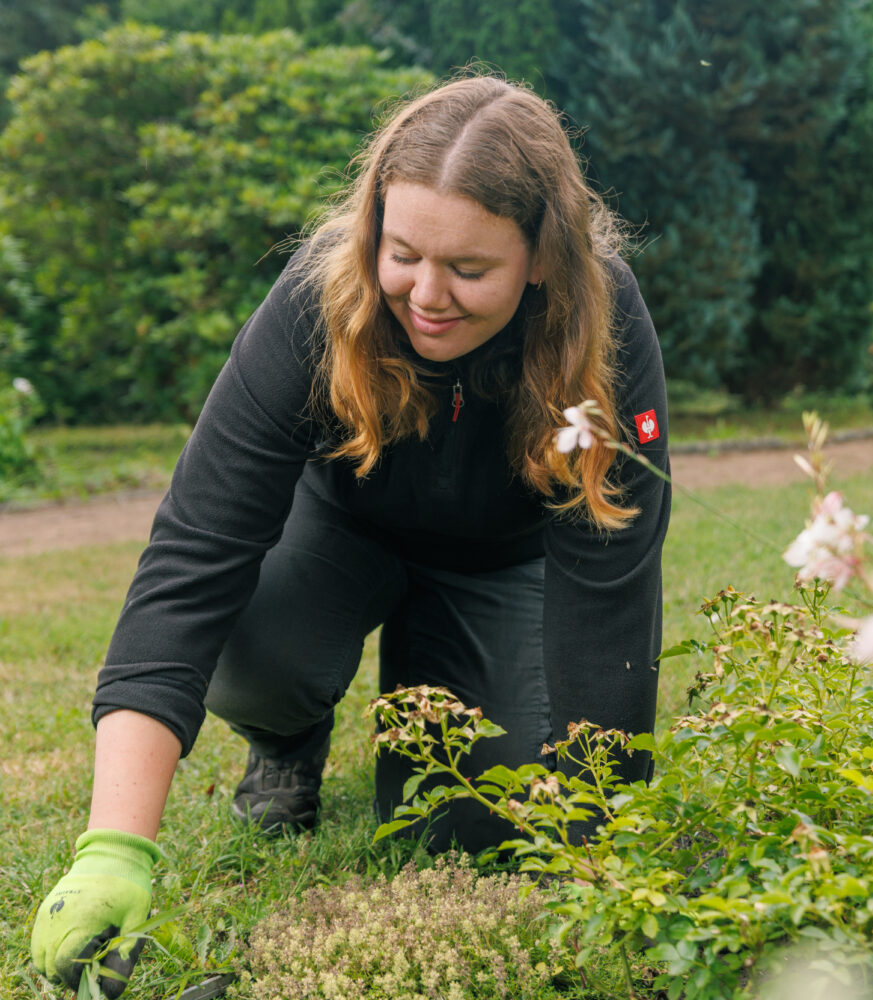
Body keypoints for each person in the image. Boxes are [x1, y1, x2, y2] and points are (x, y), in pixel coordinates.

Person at [30, 74, 670, 997]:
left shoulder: (601, 326)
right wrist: (112, 849)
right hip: (338, 536)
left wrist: (600, 841)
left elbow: (607, 597)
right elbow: (191, 557)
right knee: (254, 657)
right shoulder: (312, 300)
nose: (426, 296)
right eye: (402, 253)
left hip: (502, 567)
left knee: (474, 827)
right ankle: (288, 741)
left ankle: (446, 678)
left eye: (470, 270)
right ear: (373, 223)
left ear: (541, 258)